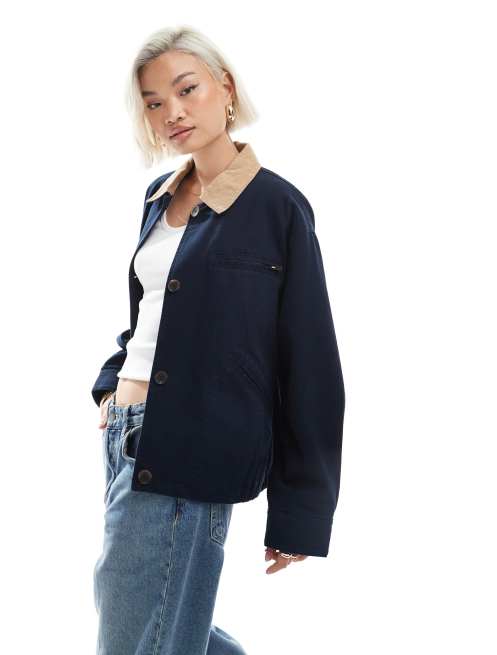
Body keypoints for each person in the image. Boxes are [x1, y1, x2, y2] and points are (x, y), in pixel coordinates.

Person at [92, 24, 345, 655]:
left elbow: (309, 361)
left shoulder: (276, 207)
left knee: (138, 636)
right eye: (154, 102)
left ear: (225, 89)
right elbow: (152, 315)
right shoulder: (159, 197)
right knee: (166, 627)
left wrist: (301, 509)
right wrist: (112, 384)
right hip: (127, 437)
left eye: (187, 90)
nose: (172, 113)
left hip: (193, 444)